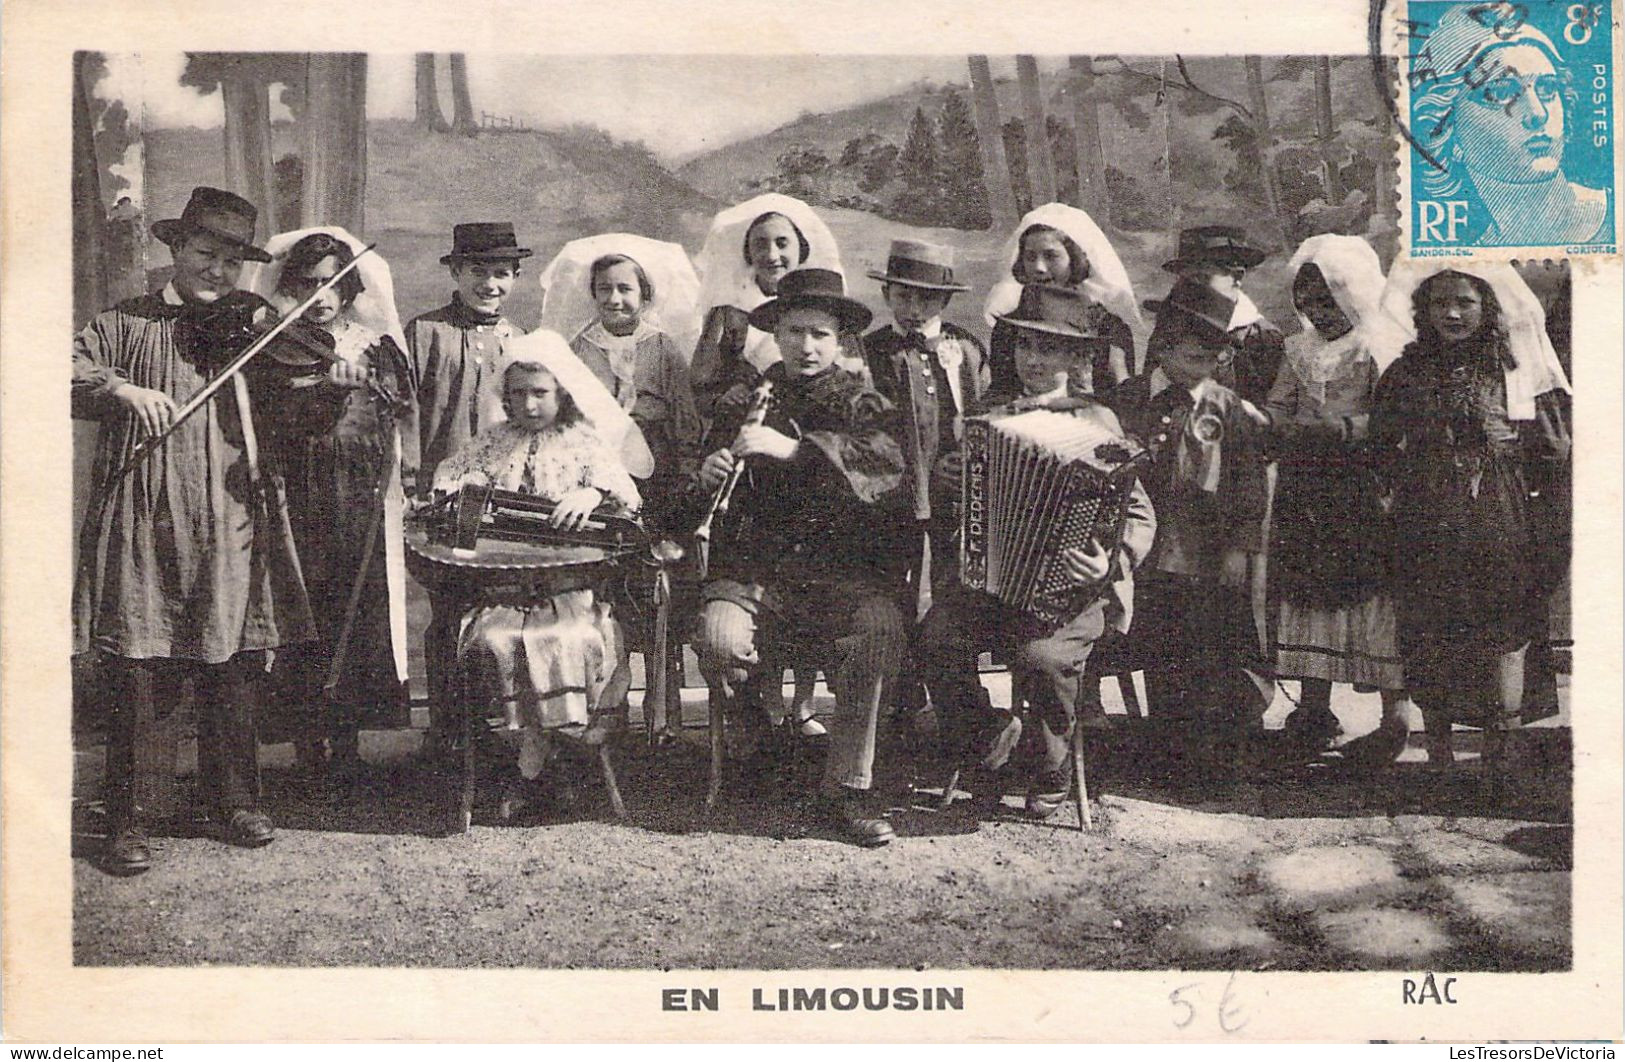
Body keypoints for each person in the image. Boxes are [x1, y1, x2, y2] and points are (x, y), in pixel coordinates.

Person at [73, 187, 314, 873]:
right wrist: (121, 389)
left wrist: (317, 386)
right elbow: (53, 367)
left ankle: (232, 801)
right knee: (140, 670)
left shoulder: (253, 331)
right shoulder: (128, 321)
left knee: (233, 661)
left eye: (232, 262)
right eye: (205, 254)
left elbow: (297, 412)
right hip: (145, 516)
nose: (217, 272)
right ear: (175, 249)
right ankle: (127, 817)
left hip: (229, 517)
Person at [687, 268, 911, 846]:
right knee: (719, 640)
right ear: (777, 335)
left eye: (819, 334)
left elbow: (885, 473)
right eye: (793, 333)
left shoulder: (864, 401)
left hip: (840, 573)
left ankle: (849, 789)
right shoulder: (748, 399)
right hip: (755, 572)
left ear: (839, 341)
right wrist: (708, 472)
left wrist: (797, 450)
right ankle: (759, 746)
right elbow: (697, 496)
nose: (806, 347)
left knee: (880, 629)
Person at [916, 287, 1156, 819]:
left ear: (1078, 358)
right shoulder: (989, 414)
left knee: (1042, 658)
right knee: (936, 638)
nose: (1035, 359)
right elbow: (965, 501)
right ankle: (987, 737)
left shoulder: (1098, 423)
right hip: (993, 584)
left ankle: (1051, 764)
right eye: (1026, 346)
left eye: (1050, 348)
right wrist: (948, 477)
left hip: (1072, 591)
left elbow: (1139, 515)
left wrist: (1111, 563)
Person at [431, 331, 645, 814]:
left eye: (540, 393)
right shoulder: (492, 442)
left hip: (574, 589)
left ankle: (539, 767)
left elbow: (627, 498)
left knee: (568, 639)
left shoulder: (583, 442)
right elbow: (449, 479)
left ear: (561, 392)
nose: (528, 404)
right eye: (518, 393)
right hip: (505, 588)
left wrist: (592, 496)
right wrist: (472, 495)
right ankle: (544, 762)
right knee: (493, 642)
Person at [1369, 261, 1570, 775]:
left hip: (1499, 513)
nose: (1453, 313)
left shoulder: (1514, 369)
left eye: (1466, 302)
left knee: (1501, 624)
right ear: (1423, 310)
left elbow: (1552, 449)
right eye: (1441, 303)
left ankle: (1499, 749)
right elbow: (1380, 441)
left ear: (1488, 308)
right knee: (1432, 624)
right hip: (1427, 511)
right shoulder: (1408, 370)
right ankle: (1438, 751)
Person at [242, 228, 413, 778]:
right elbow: (269, 418)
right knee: (302, 610)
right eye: (308, 283)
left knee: (356, 607)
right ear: (292, 285)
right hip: (298, 491)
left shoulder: (374, 343)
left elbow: (397, 409)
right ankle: (304, 741)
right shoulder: (276, 344)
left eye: (331, 284)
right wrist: (327, 390)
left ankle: (348, 740)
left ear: (349, 288)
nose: (320, 295)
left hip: (358, 493)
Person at [1101, 277, 1274, 787]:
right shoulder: (1131, 399)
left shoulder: (1225, 407)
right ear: (1164, 342)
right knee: (1160, 647)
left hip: (1206, 554)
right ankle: (1167, 751)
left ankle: (1210, 758)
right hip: (1147, 553)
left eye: (1212, 352)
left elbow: (1247, 483)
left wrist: (1243, 547)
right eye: (1190, 348)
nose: (1202, 359)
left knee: (1209, 652)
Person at [1261, 234, 1412, 766]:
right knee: (1309, 590)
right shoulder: (1296, 349)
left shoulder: (1378, 346)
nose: (1316, 312)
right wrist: (1272, 422)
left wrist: (1346, 429)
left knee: (1373, 596)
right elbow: (1281, 402)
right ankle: (1314, 711)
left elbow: (1396, 418)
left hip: (1365, 489)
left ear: (1354, 293)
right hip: (1309, 487)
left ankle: (1394, 720)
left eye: (1328, 300)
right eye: (1307, 303)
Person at [399, 222, 533, 753]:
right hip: (443, 496)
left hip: (506, 500)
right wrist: (414, 482)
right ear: (456, 273)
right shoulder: (425, 332)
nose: (491, 284)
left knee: (500, 609)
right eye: (479, 271)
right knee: (448, 609)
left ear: (516, 278)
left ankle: (501, 728)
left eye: (502, 273)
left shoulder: (521, 341)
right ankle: (449, 730)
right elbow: (407, 414)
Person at [860, 238, 989, 735]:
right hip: (894, 498)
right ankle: (901, 702)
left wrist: (963, 464)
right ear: (888, 293)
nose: (914, 309)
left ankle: (960, 705)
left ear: (945, 302)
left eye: (927, 299)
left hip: (957, 499)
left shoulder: (966, 349)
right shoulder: (871, 351)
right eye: (904, 296)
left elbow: (981, 418)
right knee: (896, 589)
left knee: (952, 593)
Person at [537, 233, 701, 530]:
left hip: (656, 459)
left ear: (644, 294)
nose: (614, 299)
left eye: (625, 289)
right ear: (594, 294)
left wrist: (687, 470)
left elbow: (683, 413)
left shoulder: (662, 347)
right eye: (605, 289)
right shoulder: (581, 347)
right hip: (597, 458)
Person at [1412, 3, 1612, 246]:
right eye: (1501, 93)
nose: (1538, 114)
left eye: (1547, 88)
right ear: (1445, 130)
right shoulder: (1471, 257)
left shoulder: (1613, 218)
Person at [690, 193, 844, 419]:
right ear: (748, 252)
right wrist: (725, 398)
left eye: (782, 244)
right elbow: (702, 389)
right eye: (760, 245)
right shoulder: (729, 312)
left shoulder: (828, 305)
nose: (772, 256)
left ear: (801, 248)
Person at [983, 203, 1141, 398]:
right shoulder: (1010, 326)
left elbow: (1123, 397)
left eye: (1051, 256)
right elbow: (1001, 390)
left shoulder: (1108, 328)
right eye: (1030, 257)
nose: (1039, 267)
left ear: (1074, 258)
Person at [1159, 225, 1285, 405]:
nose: (1191, 284)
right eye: (1188, 277)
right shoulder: (1170, 322)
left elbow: (1273, 408)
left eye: (1201, 276)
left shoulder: (1262, 337)